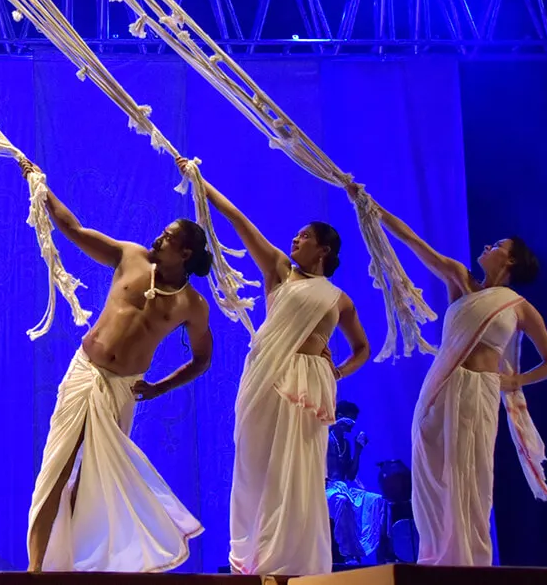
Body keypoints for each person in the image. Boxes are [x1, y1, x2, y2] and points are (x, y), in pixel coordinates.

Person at [19, 157, 212, 574]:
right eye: (161, 234)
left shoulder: (193, 306)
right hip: (86, 372)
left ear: (186, 253)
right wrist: (41, 186)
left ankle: (77, 565)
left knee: (91, 480)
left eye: (168, 238)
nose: (158, 240)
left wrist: (159, 388)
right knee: (57, 466)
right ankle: (35, 571)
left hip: (123, 389)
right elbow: (75, 230)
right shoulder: (131, 256)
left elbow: (203, 359)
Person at [355, 183, 547, 567]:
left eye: (497, 245)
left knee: (471, 475)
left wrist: (515, 381)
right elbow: (414, 242)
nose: (488, 247)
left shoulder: (518, 307)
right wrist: (371, 208)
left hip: (479, 393)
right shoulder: (460, 281)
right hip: (440, 388)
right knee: (432, 473)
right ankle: (436, 558)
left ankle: (470, 563)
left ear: (511, 260)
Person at [189, 162, 370, 576]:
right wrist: (202, 182)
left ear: (323, 249)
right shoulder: (279, 272)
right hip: (267, 376)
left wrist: (337, 372)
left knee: (298, 470)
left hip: (309, 384)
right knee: (256, 465)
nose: (296, 239)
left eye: (304, 236)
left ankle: (290, 559)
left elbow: (362, 348)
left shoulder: (338, 298)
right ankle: (251, 556)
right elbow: (239, 220)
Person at [326, 401, 388, 565]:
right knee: (342, 501)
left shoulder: (345, 443)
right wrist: (333, 426)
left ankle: (383, 555)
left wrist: (358, 450)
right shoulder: (326, 438)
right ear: (340, 418)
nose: (353, 426)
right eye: (351, 421)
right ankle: (348, 553)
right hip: (326, 488)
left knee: (377, 500)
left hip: (343, 486)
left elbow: (351, 475)